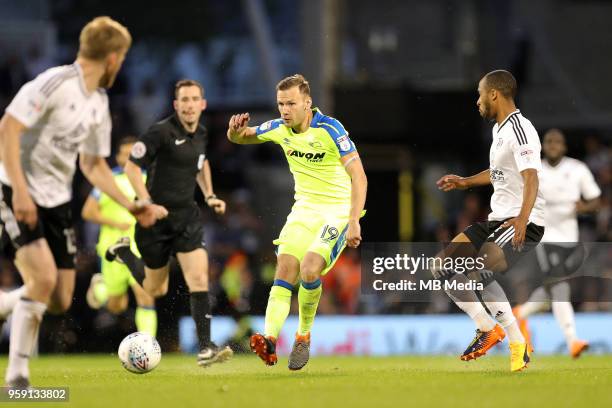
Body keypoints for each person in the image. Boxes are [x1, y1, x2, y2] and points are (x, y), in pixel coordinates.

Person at [0, 17, 165, 388]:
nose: (120, 66)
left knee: (58, 298)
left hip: (57, 202)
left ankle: (6, 304)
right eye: (121, 58)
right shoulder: (54, 83)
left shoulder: (98, 103)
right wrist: (21, 193)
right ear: (111, 57)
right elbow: (7, 129)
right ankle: (17, 380)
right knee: (41, 278)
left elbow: (92, 165)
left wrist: (130, 203)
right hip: (16, 191)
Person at [227, 74, 368, 370]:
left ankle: (303, 335)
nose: (285, 110)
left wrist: (353, 220)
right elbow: (243, 137)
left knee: (309, 269)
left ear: (307, 102)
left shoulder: (331, 129)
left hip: (337, 211)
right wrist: (233, 132)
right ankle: (268, 338)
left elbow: (359, 175)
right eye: (281, 104)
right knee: (285, 268)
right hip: (304, 210)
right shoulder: (280, 128)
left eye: (291, 103)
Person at [105, 79, 233, 367]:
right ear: (176, 105)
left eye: (194, 99)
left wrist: (210, 194)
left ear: (203, 104)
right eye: (184, 100)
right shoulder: (160, 132)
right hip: (155, 222)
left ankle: (205, 347)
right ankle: (124, 252)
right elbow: (131, 167)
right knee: (155, 290)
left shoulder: (200, 133)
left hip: (186, 218)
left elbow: (201, 163)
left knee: (198, 278)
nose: (189, 105)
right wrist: (147, 203)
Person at [436, 70, 545, 372]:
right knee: (442, 267)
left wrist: (522, 219)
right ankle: (487, 328)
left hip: (522, 219)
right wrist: (465, 182)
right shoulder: (500, 130)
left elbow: (531, 176)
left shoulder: (521, 130)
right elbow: (498, 173)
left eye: (480, 93)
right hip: (498, 219)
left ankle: (516, 342)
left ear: (494, 94)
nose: (477, 101)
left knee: (479, 273)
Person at [513, 129, 600, 358]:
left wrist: (585, 207)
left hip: (569, 239)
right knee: (561, 286)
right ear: (543, 146)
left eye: (557, 142)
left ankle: (521, 312)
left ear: (564, 146)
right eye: (548, 141)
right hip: (544, 236)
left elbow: (596, 200)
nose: (552, 145)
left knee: (552, 291)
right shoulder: (534, 171)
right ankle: (572, 340)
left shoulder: (577, 169)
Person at [82, 137, 157, 337]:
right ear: (117, 157)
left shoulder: (147, 179)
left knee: (146, 295)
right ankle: (100, 289)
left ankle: (148, 345)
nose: (128, 157)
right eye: (124, 153)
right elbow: (87, 212)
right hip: (112, 248)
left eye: (132, 153)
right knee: (117, 305)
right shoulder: (108, 182)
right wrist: (116, 223)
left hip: (139, 247)